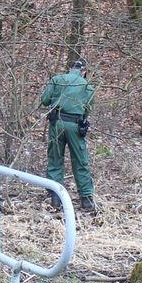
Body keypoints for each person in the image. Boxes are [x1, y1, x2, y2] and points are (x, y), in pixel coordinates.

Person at [39, 59, 98, 215]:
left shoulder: (57, 80)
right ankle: (86, 199)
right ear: (84, 72)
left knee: (55, 158)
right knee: (80, 160)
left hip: (56, 123)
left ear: (70, 69)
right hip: (75, 126)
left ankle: (55, 198)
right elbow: (87, 110)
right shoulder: (88, 87)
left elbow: (44, 100)